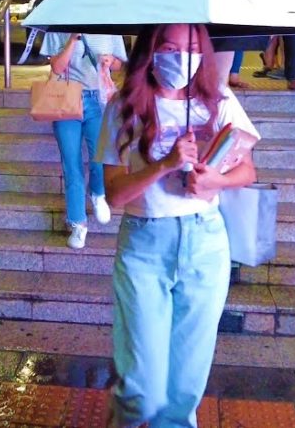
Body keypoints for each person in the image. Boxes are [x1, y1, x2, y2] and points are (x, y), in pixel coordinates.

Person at [99, 23, 258, 427]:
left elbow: (247, 170)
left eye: (190, 47)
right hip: (145, 244)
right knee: (140, 384)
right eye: (169, 46)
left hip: (205, 240)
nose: (180, 57)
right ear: (150, 51)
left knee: (185, 382)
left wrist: (214, 181)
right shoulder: (122, 107)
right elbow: (115, 195)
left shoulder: (218, 102)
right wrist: (164, 165)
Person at [42, 33, 128, 249]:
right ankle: (78, 222)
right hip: (66, 97)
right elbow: (56, 68)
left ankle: (98, 193)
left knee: (99, 156)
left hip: (98, 99)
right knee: (72, 163)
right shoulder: (58, 26)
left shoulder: (109, 24)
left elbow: (119, 64)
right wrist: (72, 41)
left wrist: (111, 61)